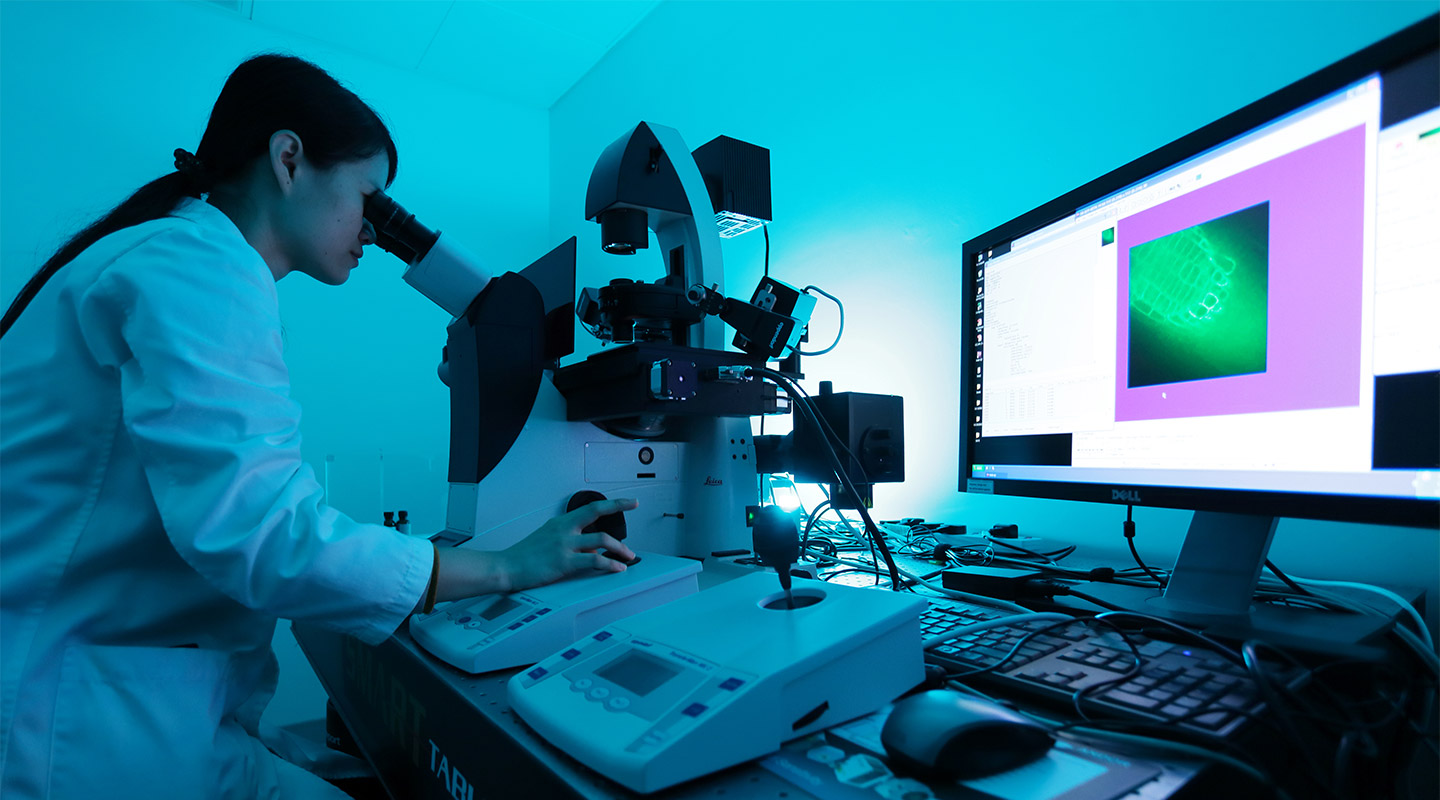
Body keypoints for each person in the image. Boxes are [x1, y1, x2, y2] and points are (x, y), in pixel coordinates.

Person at [0, 54, 634, 800]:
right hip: (74, 727)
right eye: (372, 196)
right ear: (290, 159)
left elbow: (237, 511)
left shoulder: (172, 253)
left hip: (102, 698)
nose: (375, 228)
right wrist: (509, 568)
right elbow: (263, 536)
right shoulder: (201, 267)